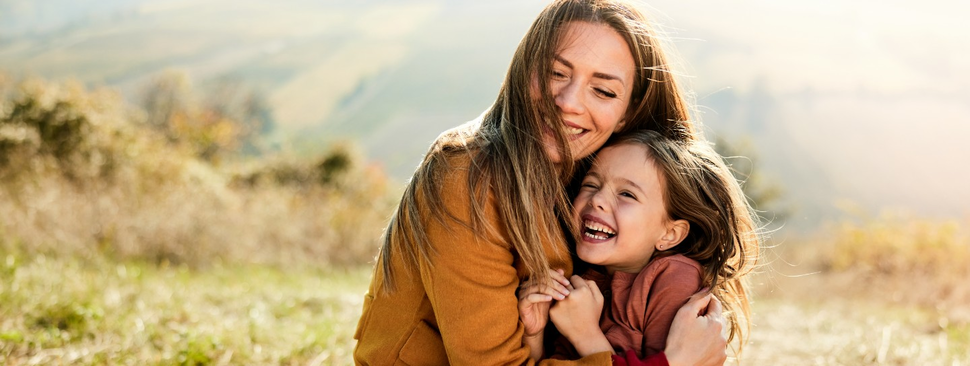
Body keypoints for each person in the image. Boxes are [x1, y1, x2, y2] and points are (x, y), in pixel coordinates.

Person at [354, 1, 727, 364]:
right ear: (524, 69)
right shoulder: (467, 176)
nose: (567, 101)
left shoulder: (603, 169)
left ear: (626, 114)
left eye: (603, 90)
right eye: (555, 73)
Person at [518, 130, 760, 362]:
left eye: (627, 194)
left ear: (670, 234)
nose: (598, 200)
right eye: (591, 184)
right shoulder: (584, 280)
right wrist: (535, 335)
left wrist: (585, 335)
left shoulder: (673, 279)